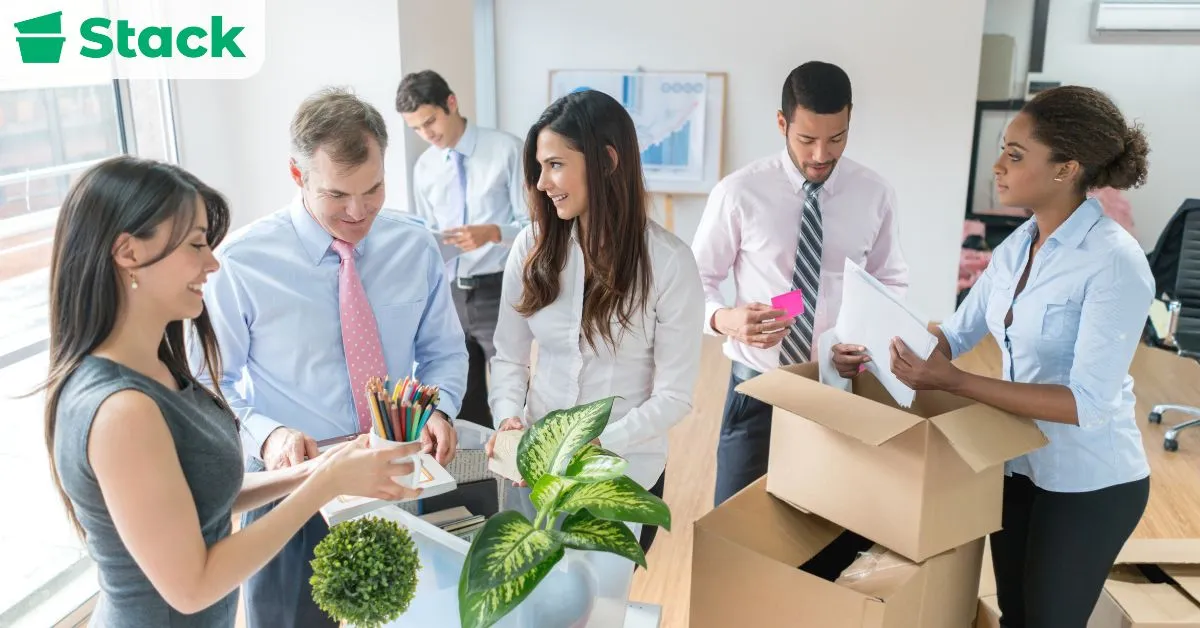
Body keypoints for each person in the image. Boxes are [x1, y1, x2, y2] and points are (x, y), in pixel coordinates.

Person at [42, 156, 421, 627]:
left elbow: (198, 499)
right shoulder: (123, 410)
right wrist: (324, 484)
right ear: (128, 253)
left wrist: (324, 467)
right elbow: (191, 587)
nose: (212, 262)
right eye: (197, 244)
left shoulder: (156, 369)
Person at [851, 85, 1153, 628]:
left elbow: (1087, 403)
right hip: (1017, 466)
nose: (998, 166)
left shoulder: (1115, 262)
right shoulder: (1018, 246)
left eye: (1015, 155)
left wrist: (954, 382)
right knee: (1017, 616)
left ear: (1066, 169)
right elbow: (956, 335)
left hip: (1090, 482)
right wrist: (880, 343)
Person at [194, 87, 467, 628]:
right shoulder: (240, 264)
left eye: (374, 189)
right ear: (298, 176)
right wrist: (268, 435)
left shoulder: (413, 246)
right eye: (338, 195)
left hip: (394, 477)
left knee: (406, 617)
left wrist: (441, 409)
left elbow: (443, 352)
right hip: (287, 490)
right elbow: (208, 385)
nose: (358, 212)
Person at [485, 89, 704, 555]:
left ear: (606, 161)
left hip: (620, 474)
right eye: (539, 167)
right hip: (534, 469)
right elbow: (509, 355)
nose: (542, 182)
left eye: (556, 164)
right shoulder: (531, 248)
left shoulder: (668, 263)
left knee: (599, 611)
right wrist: (508, 420)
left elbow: (674, 396)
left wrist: (597, 445)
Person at [692, 61, 909, 506]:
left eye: (836, 138)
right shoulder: (739, 193)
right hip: (758, 387)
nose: (820, 155)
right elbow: (696, 281)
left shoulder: (875, 194)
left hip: (839, 390)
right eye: (806, 139)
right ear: (781, 123)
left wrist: (868, 339)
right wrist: (724, 318)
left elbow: (890, 278)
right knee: (736, 528)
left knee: (826, 531)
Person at [397, 70, 530, 428]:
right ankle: (477, 482)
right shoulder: (424, 167)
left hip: (501, 289)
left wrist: (492, 233)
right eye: (416, 129)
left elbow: (537, 229)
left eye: (430, 121)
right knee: (460, 399)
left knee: (515, 394)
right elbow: (426, 231)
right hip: (450, 294)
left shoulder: (507, 149)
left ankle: (528, 477)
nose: (427, 134)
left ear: (451, 103)